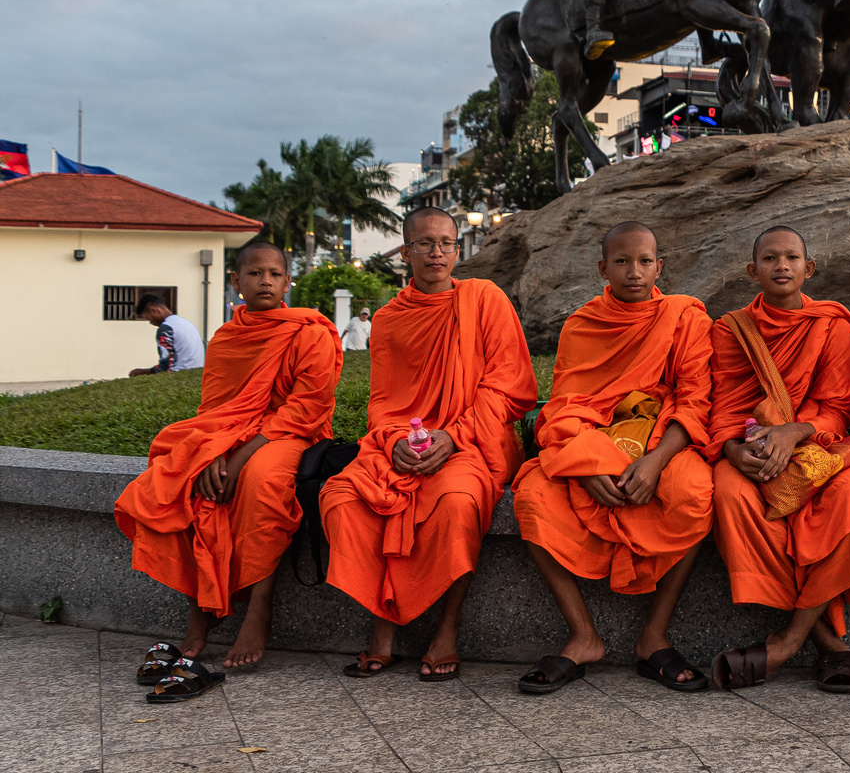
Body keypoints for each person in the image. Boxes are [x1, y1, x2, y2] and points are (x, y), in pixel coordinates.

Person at [115, 241, 342, 698]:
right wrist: (211, 452)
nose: (265, 281)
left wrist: (237, 457)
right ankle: (201, 613)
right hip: (229, 433)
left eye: (275, 274)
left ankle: (259, 608)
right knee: (183, 482)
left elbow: (306, 406)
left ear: (287, 282)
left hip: (290, 433)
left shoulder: (310, 331)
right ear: (236, 282)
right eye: (254, 274)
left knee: (260, 481)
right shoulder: (226, 338)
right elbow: (216, 410)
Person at [320, 207, 536, 680]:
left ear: (459, 250)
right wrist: (396, 439)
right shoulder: (390, 319)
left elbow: (512, 384)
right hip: (404, 440)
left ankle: (447, 630)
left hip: (473, 440)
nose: (436, 252)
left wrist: (453, 436)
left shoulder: (484, 299)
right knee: (343, 498)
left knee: (457, 503)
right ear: (405, 253)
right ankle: (382, 627)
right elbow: (382, 400)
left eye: (446, 243)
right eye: (424, 243)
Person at [512, 222, 713, 693]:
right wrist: (586, 466)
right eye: (622, 262)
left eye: (645, 261)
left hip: (663, 439)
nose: (634, 272)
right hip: (591, 443)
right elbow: (565, 406)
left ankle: (653, 636)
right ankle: (583, 636)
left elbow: (695, 399)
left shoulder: (685, 317)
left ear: (660, 266)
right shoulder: (583, 324)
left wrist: (656, 461)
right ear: (603, 268)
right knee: (533, 496)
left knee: (695, 493)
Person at [707, 226, 850, 692]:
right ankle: (828, 643)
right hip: (754, 448)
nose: (781, 265)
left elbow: (841, 410)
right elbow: (725, 405)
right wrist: (732, 449)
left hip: (823, 449)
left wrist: (794, 432)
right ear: (753, 271)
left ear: (809, 269)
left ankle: (788, 641)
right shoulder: (730, 330)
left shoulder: (832, 325)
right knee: (729, 492)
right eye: (769, 258)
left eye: (791, 258)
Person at [129, 292, 205, 375]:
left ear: (154, 310)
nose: (150, 322)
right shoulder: (186, 323)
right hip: (197, 372)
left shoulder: (166, 328)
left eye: (148, 318)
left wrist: (141, 372)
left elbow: (165, 366)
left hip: (179, 373)